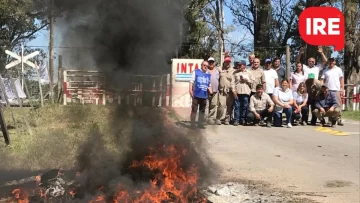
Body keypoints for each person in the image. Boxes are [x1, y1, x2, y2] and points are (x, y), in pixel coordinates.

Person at [320, 57, 345, 126]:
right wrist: (322, 87)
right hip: (328, 90)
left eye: (332, 61)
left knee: (338, 105)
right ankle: (330, 120)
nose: (331, 62)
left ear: (335, 62)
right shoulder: (325, 70)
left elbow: (341, 79)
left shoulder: (338, 69)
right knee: (329, 105)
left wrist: (342, 89)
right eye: (330, 61)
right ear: (328, 62)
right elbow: (322, 79)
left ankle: (338, 119)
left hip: (336, 90)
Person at [189, 61, 213, 128]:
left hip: (204, 95)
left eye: (207, 66)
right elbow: (191, 82)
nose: (206, 67)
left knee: (202, 111)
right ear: (201, 65)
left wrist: (211, 92)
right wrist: (190, 90)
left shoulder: (208, 74)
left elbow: (209, 85)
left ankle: (200, 124)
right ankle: (192, 124)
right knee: (194, 110)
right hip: (196, 95)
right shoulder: (196, 72)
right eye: (204, 65)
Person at [232, 60, 253, 126]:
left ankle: (243, 119)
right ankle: (236, 120)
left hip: (246, 92)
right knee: (237, 106)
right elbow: (232, 83)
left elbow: (252, 82)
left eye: (240, 65)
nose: (239, 66)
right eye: (238, 65)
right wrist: (233, 91)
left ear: (244, 65)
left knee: (245, 106)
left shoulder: (249, 73)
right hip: (237, 92)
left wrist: (246, 80)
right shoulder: (235, 73)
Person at [216, 54, 235, 125]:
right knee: (221, 105)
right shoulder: (219, 69)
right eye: (226, 62)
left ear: (230, 62)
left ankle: (227, 119)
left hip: (230, 91)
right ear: (224, 62)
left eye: (228, 62)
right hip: (222, 91)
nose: (227, 63)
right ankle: (218, 118)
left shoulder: (233, 70)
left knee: (229, 106)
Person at [205, 57, 220, 125]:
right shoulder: (205, 70)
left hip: (215, 91)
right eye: (209, 62)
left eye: (212, 62)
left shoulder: (218, 70)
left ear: (214, 63)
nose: (211, 63)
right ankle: (205, 119)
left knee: (213, 105)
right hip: (206, 91)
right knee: (206, 105)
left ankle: (210, 118)